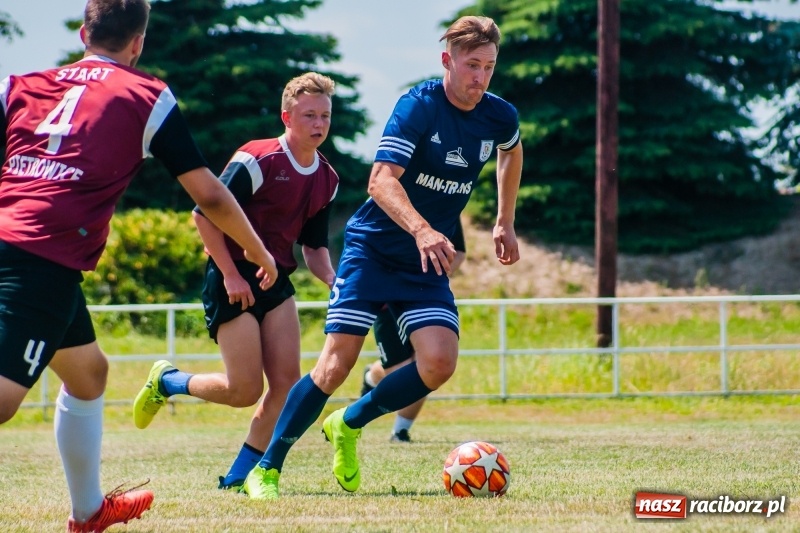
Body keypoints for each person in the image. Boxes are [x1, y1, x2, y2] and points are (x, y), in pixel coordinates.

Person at [0, 1, 278, 530]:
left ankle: (88, 512)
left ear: (84, 32)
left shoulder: (18, 85)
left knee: (88, 375)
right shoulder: (146, 95)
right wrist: (258, 251)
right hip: (41, 257)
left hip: (23, 247)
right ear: (138, 44)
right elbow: (209, 196)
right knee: (4, 400)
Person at [239, 15, 523, 500]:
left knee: (439, 361)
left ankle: (348, 423)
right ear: (446, 61)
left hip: (422, 259)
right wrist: (423, 229)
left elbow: (511, 152)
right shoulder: (417, 107)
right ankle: (266, 468)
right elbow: (380, 180)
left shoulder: (500, 115)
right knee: (334, 365)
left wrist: (504, 218)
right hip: (373, 250)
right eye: (471, 64)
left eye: (489, 67)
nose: (480, 76)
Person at [131, 72, 339, 492]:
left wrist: (336, 283)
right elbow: (203, 216)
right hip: (233, 277)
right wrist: (229, 273)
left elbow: (313, 249)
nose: (319, 123)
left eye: (325, 116)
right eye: (309, 115)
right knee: (244, 390)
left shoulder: (327, 179)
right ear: (287, 116)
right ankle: (167, 381)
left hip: (277, 282)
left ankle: (241, 477)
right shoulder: (256, 159)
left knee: (285, 384)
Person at [360, 219, 466, 443]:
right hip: (388, 302)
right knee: (399, 374)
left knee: (425, 366)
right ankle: (373, 374)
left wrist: (430, 275)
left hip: (425, 297)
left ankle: (400, 431)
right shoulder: (389, 202)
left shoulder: (445, 202)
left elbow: (460, 253)